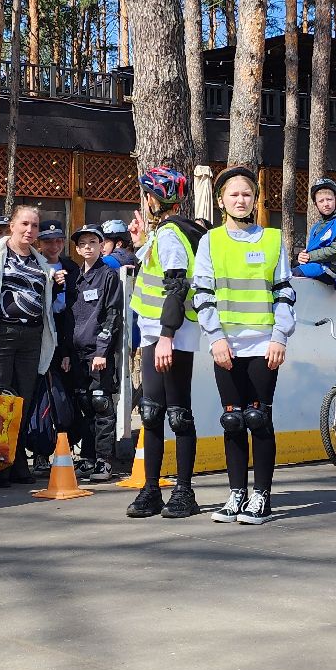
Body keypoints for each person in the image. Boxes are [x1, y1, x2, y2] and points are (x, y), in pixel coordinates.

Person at [193, 167, 296, 525]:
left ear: (255, 200)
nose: (241, 200)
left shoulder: (272, 240)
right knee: (233, 421)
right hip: (226, 345)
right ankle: (236, 493)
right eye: (233, 194)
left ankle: (261, 497)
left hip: (264, 344)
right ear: (221, 201)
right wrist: (215, 338)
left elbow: (284, 291)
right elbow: (202, 293)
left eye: (247, 194)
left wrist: (280, 336)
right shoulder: (210, 241)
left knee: (259, 418)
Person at [125, 166, 204, 519]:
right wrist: (141, 242)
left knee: (177, 413)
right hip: (155, 330)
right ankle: (151, 489)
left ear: (151, 199)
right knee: (152, 411)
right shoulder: (164, 232)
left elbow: (176, 285)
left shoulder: (171, 233)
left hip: (171, 333)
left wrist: (166, 337)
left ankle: (184, 492)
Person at [0, 204, 60, 486]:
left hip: (32, 336)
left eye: (34, 226)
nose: (30, 230)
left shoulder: (40, 261)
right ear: (12, 226)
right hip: (2, 333)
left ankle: (18, 462)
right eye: (24, 224)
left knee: (23, 401)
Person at [64, 225, 124, 482]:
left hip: (98, 354)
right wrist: (66, 353)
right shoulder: (74, 278)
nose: (87, 247)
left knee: (101, 404)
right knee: (84, 404)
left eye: (92, 242)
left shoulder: (108, 276)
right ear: (77, 249)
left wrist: (102, 351)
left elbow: (112, 315)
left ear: (102, 246)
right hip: (76, 354)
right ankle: (87, 458)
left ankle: (104, 460)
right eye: (82, 244)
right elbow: (68, 318)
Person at [29, 219, 80, 473]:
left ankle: (65, 448)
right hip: (37, 339)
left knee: (63, 396)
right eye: (48, 241)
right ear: (39, 243)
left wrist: (67, 350)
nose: (54, 246)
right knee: (39, 396)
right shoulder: (32, 265)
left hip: (64, 339)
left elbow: (73, 311)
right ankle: (39, 451)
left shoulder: (71, 267)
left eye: (59, 241)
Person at [294, 177, 336, 299]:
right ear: (316, 205)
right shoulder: (316, 227)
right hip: (317, 267)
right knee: (286, 275)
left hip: (331, 272)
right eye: (321, 201)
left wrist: (309, 256)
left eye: (329, 199)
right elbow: (311, 250)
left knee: (292, 275)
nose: (326, 204)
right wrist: (301, 256)